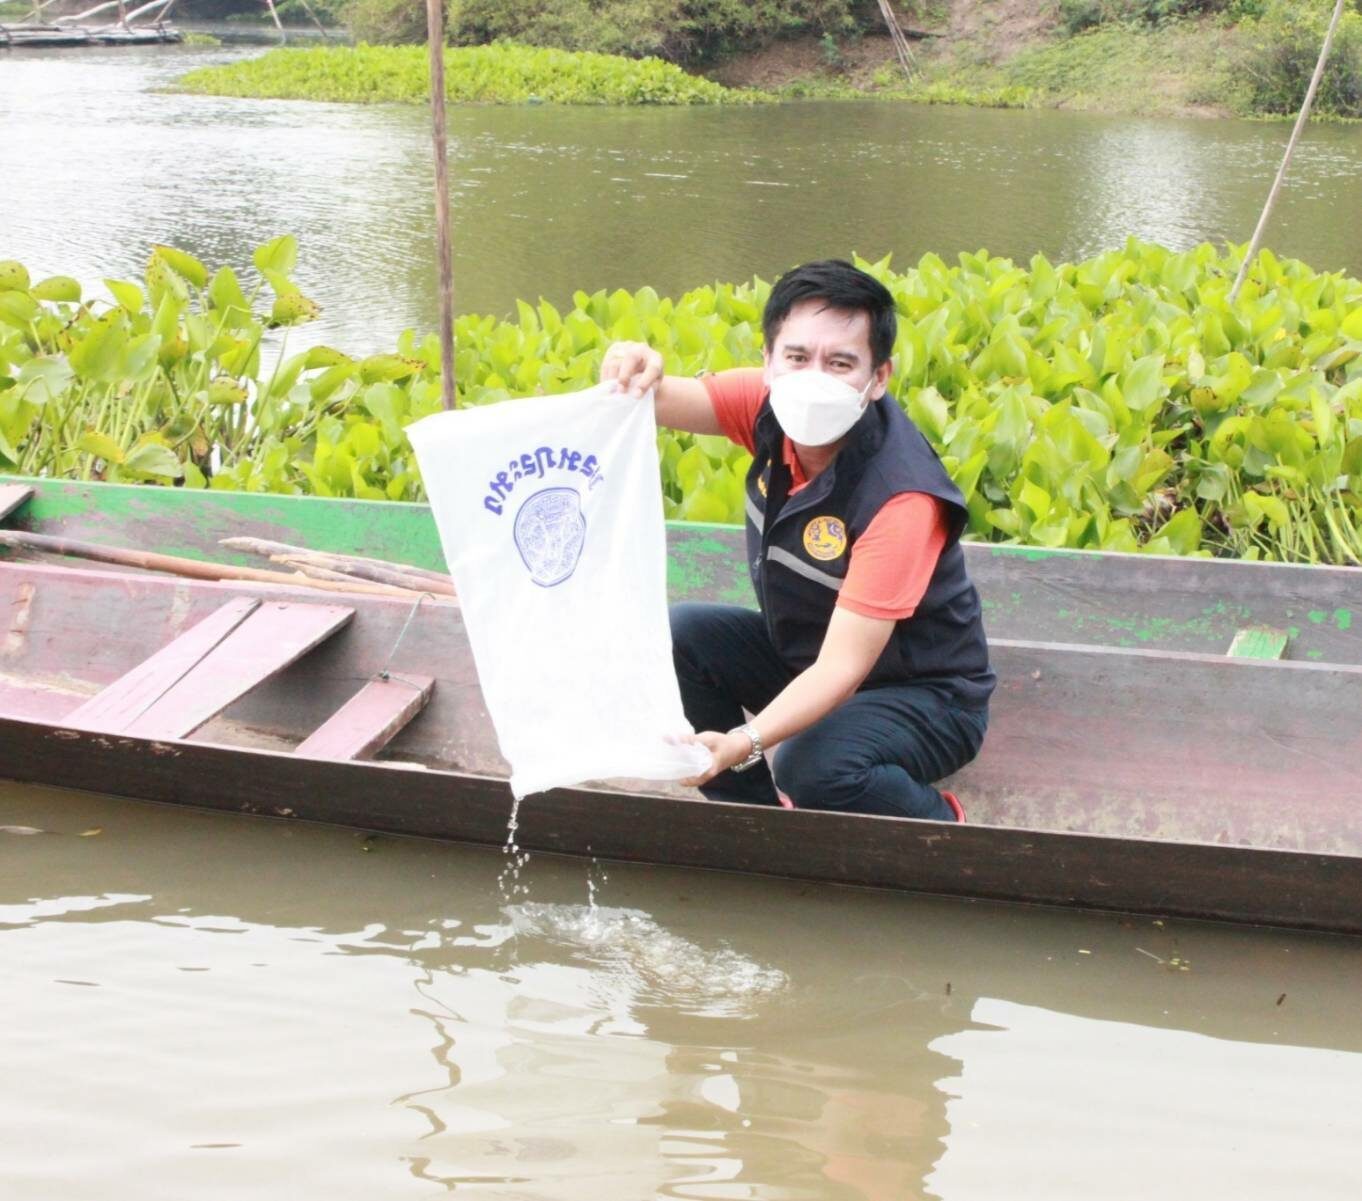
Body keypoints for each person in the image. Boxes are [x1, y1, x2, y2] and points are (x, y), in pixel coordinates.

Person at [600, 259, 994, 821]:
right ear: (768, 360)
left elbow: (842, 668)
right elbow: (650, 398)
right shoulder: (765, 406)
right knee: (681, 636)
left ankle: (940, 825)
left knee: (813, 766)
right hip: (804, 658)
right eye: (797, 357)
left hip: (925, 696)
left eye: (840, 363)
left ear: (879, 377)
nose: (814, 378)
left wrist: (745, 740)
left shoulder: (901, 497)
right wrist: (632, 366)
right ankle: (757, 820)